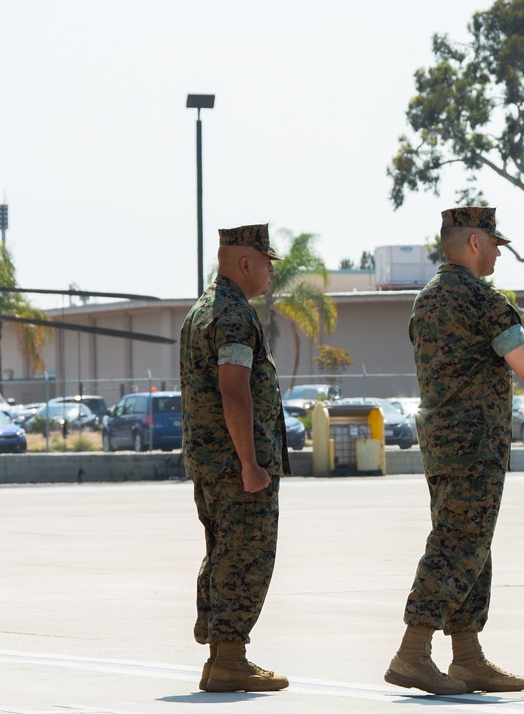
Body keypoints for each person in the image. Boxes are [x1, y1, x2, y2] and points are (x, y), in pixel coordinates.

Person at [384, 206, 524, 696]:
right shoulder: (484, 299)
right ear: (474, 242)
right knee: (460, 544)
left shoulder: (427, 299)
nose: (500, 250)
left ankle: (468, 656)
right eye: (495, 242)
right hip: (475, 443)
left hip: (443, 441)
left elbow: (481, 360)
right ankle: (412, 652)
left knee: (470, 541)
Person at [179, 223, 290, 693]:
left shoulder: (202, 309)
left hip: (208, 461)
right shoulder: (233, 315)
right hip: (234, 463)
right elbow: (234, 391)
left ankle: (219, 657)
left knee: (223, 551)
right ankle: (229, 658)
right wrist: (250, 464)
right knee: (246, 554)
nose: (269, 270)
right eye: (265, 261)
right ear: (244, 262)